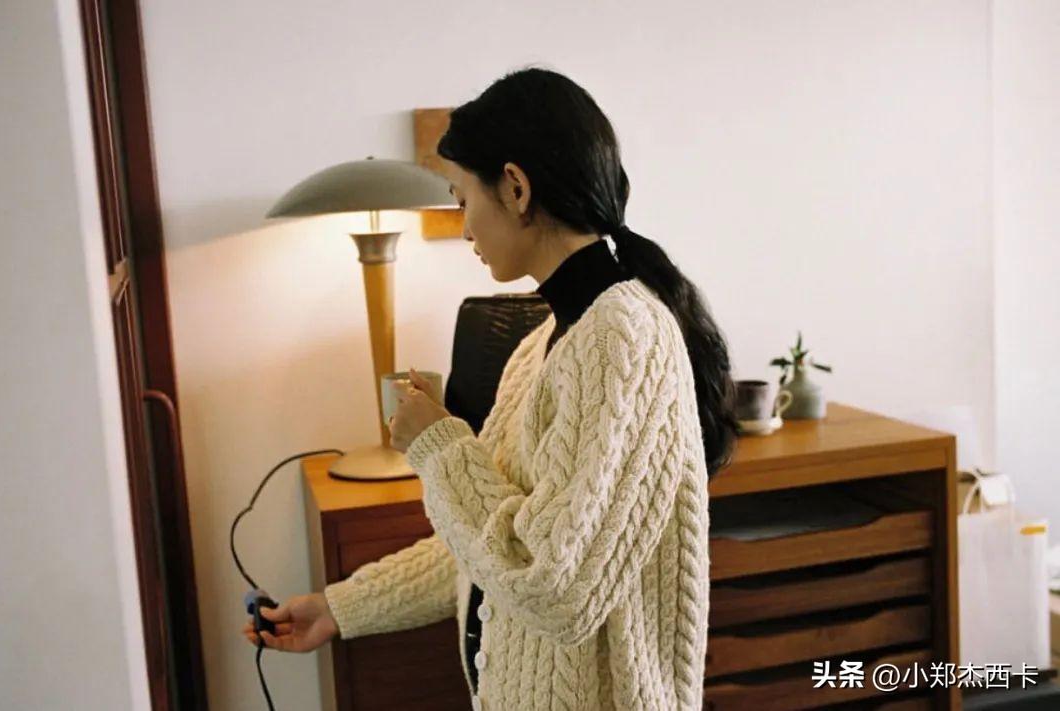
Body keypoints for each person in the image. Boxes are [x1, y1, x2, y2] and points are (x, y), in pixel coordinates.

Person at [243, 66, 737, 710]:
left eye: (461, 198)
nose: (464, 226)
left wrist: (440, 445)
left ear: (516, 187)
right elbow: (485, 549)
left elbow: (555, 587)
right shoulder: (544, 343)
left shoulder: (623, 336)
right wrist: (338, 609)